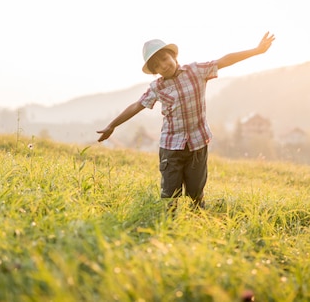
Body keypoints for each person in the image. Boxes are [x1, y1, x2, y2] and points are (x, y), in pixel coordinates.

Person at [97, 32, 275, 209]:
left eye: (165, 59)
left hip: (197, 144)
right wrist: (112, 125)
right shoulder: (157, 88)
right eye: (157, 66)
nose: (164, 66)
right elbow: (137, 106)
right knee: (170, 196)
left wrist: (257, 51)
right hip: (171, 147)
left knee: (196, 193)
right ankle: (170, 227)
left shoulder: (196, 71)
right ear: (154, 72)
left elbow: (225, 60)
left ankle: (197, 222)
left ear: (174, 56)